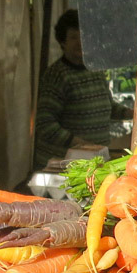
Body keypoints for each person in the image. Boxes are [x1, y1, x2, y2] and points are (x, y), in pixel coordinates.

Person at [34, 10, 112, 168]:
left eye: (82, 36)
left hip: (93, 161)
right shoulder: (57, 75)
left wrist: (133, 114)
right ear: (62, 42)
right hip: (61, 166)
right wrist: (80, 144)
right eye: (73, 37)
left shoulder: (95, 70)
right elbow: (45, 124)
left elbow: (106, 105)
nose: (80, 42)